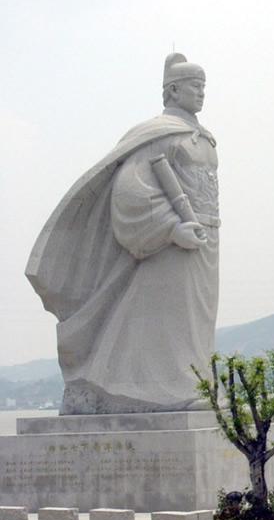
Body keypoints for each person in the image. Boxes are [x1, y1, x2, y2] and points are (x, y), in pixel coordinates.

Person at [26, 54, 220, 414]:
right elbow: (132, 189)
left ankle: (193, 384)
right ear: (172, 90)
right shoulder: (157, 135)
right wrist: (172, 228)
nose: (201, 93)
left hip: (206, 242)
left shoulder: (202, 137)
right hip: (171, 244)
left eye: (203, 87)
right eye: (195, 86)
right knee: (166, 319)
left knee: (197, 321)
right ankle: (164, 391)